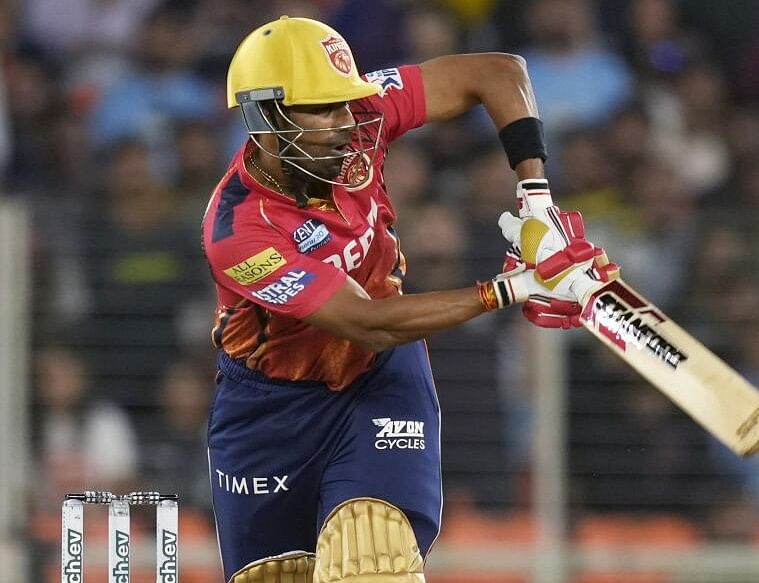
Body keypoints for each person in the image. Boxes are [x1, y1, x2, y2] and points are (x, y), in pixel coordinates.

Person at [203, 16, 616, 582]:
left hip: (378, 381)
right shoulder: (239, 230)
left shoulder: (364, 116)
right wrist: (516, 287)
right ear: (265, 119)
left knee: (375, 563)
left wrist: (537, 200)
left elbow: (498, 72)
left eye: (346, 103)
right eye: (323, 109)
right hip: (269, 413)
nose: (347, 122)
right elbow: (364, 320)